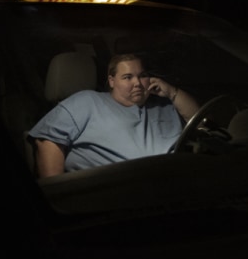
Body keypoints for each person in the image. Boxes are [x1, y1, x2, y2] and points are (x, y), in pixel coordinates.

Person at [29, 53, 199, 178]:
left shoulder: (164, 105)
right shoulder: (86, 102)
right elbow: (48, 141)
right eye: (127, 77)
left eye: (143, 76)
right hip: (111, 196)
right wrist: (58, 196)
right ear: (112, 81)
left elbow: (202, 124)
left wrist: (173, 93)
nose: (137, 83)